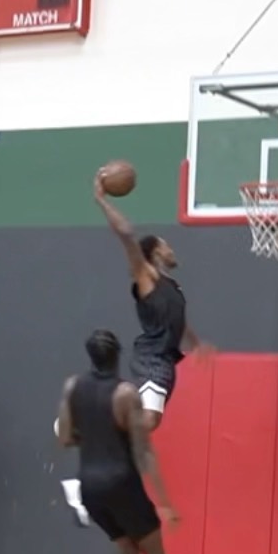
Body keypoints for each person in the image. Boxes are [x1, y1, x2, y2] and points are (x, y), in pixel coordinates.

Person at [49, 329, 180, 554]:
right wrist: (164, 503)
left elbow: (64, 438)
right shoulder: (126, 394)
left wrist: (94, 437)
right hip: (120, 483)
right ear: (117, 355)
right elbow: (143, 453)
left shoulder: (72, 386)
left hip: (89, 488)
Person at [93, 168, 214, 432]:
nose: (171, 250)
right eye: (166, 245)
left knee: (148, 421)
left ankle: (99, 416)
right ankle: (92, 421)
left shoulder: (172, 287)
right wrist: (102, 200)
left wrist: (195, 342)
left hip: (165, 358)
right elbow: (126, 233)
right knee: (147, 420)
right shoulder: (146, 275)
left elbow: (177, 318)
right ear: (156, 251)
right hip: (152, 355)